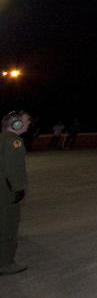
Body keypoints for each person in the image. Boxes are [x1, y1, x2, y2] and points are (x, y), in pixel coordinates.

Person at [1, 110, 30, 276]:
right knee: (8, 226)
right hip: (6, 192)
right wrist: (19, 189)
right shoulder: (14, 141)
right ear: (16, 124)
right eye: (25, 121)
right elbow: (14, 168)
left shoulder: (2, 138)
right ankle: (5, 263)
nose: (28, 123)